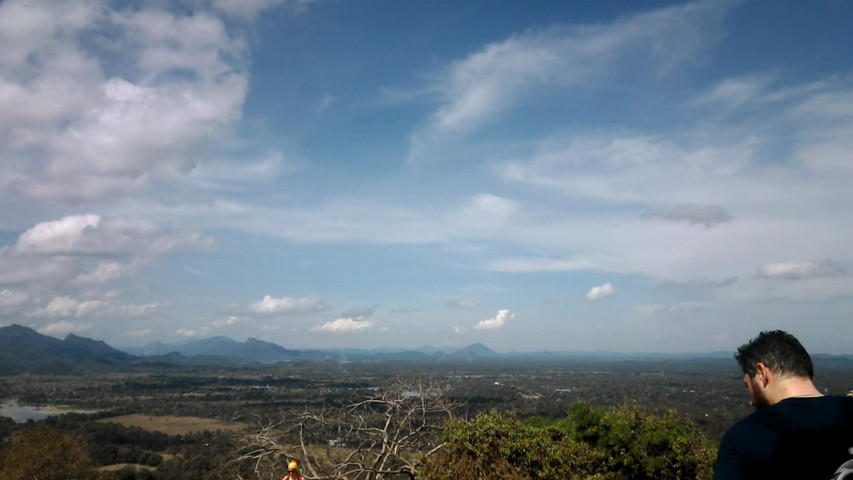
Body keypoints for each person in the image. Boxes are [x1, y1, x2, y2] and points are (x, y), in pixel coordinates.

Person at [713, 330, 853, 480]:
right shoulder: (846, 411)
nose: (751, 401)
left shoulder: (743, 437)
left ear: (761, 372)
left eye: (748, 386)